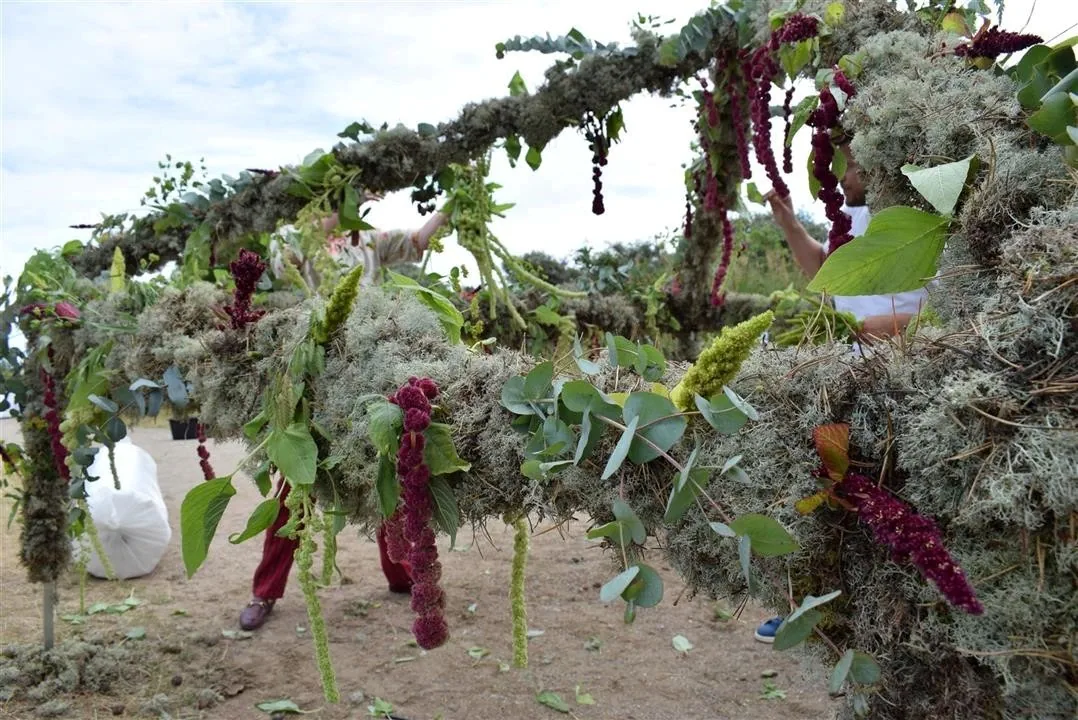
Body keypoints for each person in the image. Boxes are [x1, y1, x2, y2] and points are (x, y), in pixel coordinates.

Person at [240, 199, 449, 632]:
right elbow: (281, 262)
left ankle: (403, 576)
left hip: (370, 371)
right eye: (342, 197)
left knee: (383, 476)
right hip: (319, 377)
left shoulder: (369, 241)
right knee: (294, 487)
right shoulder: (296, 237)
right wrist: (331, 210)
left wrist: (450, 211)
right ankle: (265, 592)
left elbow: (415, 242)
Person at [753, 142, 927, 644]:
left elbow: (944, 309)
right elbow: (826, 279)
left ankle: (873, 618)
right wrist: (788, 222)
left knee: (876, 503)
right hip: (840, 381)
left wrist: (863, 328)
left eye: (853, 160)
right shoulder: (849, 217)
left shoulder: (925, 217)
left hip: (898, 387)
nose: (843, 172)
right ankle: (806, 605)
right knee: (815, 490)